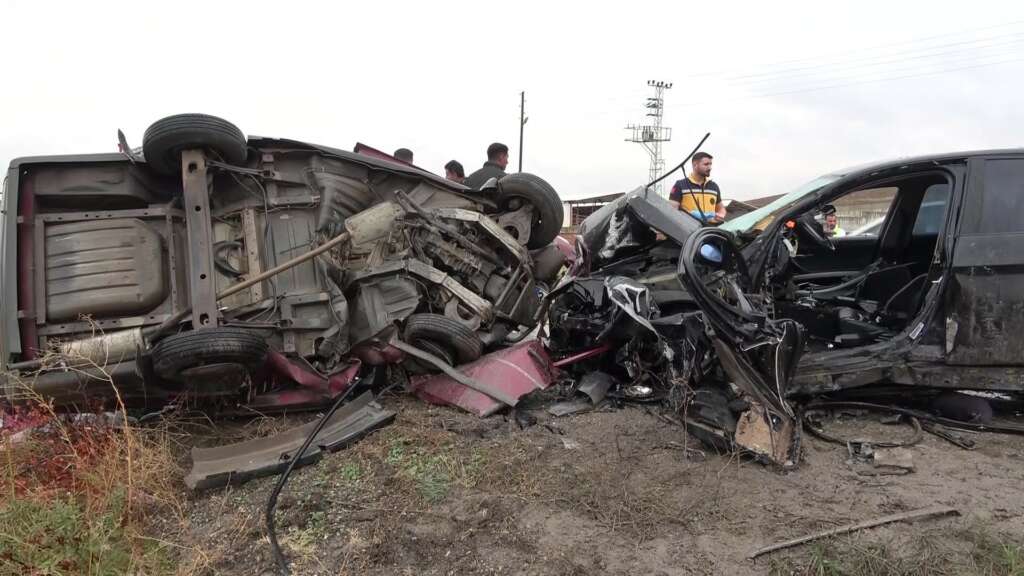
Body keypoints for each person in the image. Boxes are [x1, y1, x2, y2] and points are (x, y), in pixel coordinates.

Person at [669, 152, 726, 224]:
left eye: (710, 164)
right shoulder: (680, 185)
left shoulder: (714, 186)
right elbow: (671, 212)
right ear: (695, 165)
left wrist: (721, 215)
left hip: (710, 231)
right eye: (706, 164)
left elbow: (721, 208)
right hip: (689, 232)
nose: (709, 167)